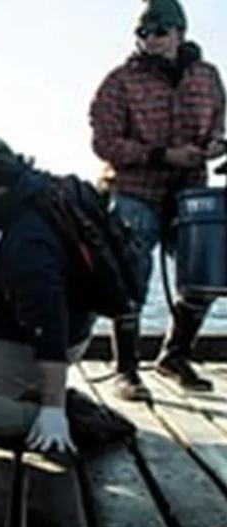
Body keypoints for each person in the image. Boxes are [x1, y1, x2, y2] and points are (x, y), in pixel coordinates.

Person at [0, 139, 133, 452]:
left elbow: (50, 327)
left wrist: (52, 411)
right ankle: (20, 387)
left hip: (41, 334)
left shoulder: (27, 243)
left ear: (0, 184)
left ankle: (65, 415)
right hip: (6, 312)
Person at [89, 0, 227, 399]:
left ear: (179, 33)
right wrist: (161, 155)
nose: (150, 39)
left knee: (206, 272)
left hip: (191, 191)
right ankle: (126, 369)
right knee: (132, 271)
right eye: (143, 33)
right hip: (134, 189)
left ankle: (175, 355)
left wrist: (214, 145)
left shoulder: (208, 76)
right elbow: (104, 142)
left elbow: (217, 123)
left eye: (159, 31)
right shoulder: (118, 81)